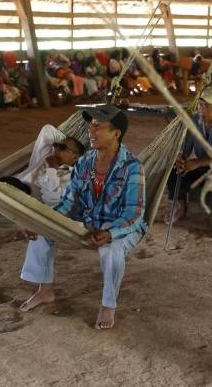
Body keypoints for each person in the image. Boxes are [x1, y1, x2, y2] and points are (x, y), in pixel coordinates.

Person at [19, 105, 146, 330]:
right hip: (91, 223)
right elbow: (70, 202)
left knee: (111, 249)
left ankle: (108, 304)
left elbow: (133, 213)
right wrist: (47, 222)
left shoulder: (131, 167)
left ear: (116, 133)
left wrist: (110, 233)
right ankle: (45, 290)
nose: (91, 130)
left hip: (122, 226)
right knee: (41, 228)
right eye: (90, 125)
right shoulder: (85, 162)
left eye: (98, 126)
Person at [164, 86, 212, 241]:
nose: (202, 109)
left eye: (208, 106)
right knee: (174, 171)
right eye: (200, 104)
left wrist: (197, 163)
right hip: (202, 168)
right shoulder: (194, 120)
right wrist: (181, 159)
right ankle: (181, 206)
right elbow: (185, 149)